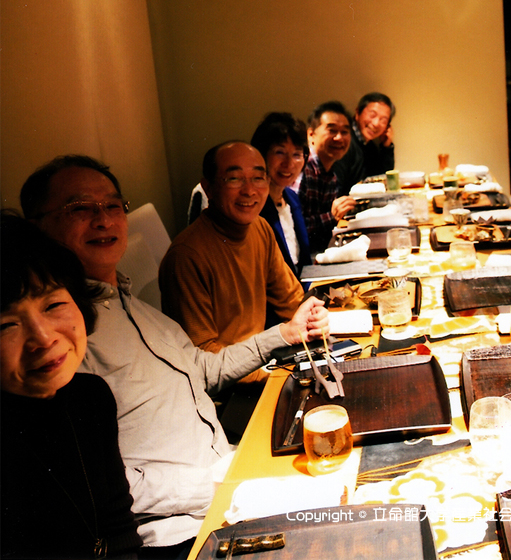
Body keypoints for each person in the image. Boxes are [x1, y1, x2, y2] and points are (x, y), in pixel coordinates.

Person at [21, 155, 327, 551]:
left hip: (229, 483)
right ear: (36, 229)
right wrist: (220, 481)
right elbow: (103, 483)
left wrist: (284, 333)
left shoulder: (137, 309)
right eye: (80, 208)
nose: (103, 219)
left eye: (112, 205)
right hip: (183, 532)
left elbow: (201, 369)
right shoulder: (60, 342)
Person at [1, 213, 142, 560]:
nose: (44, 338)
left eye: (53, 304)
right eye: (5, 325)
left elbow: (118, 528)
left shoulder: (91, 397)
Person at [160, 142, 313, 357]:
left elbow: (292, 302)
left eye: (258, 178)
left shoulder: (260, 228)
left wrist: (313, 320)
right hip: (230, 375)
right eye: (234, 179)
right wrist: (269, 371)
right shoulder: (186, 257)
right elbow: (203, 356)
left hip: (262, 360)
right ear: (208, 188)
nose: (249, 191)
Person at [250, 112, 311, 276]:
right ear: (262, 154)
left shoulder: (291, 198)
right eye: (280, 152)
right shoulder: (253, 205)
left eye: (297, 155)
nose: (289, 164)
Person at [298, 101, 357, 248]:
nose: (339, 138)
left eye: (345, 132)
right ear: (311, 135)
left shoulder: (330, 174)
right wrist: (331, 217)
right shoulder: (302, 169)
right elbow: (294, 227)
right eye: (332, 131)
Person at [335, 92, 396, 188]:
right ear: (357, 113)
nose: (376, 123)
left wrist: (386, 147)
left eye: (383, 120)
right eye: (372, 115)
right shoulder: (344, 142)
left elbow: (381, 180)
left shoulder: (369, 146)